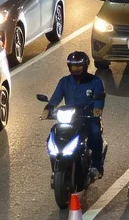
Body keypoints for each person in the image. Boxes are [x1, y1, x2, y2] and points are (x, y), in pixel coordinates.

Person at [44, 51, 106, 179]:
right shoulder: (65, 81)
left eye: (79, 66)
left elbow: (99, 98)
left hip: (88, 116)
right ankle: (56, 166)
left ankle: (96, 166)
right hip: (70, 116)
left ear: (85, 66)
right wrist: (48, 108)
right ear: (69, 67)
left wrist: (97, 109)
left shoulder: (95, 81)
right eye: (73, 66)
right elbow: (56, 97)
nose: (76, 69)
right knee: (54, 134)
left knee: (95, 134)